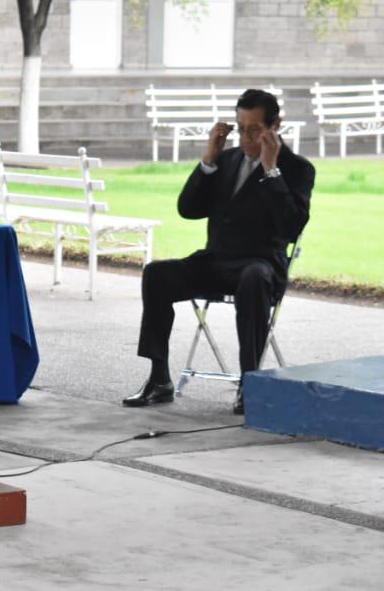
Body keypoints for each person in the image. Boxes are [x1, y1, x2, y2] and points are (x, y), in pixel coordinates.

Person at [123, 88, 314, 415]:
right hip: (217, 261)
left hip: (260, 265)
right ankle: (159, 378)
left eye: (254, 129)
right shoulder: (227, 160)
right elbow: (188, 209)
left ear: (275, 126)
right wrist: (209, 160)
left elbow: (290, 227)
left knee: (254, 278)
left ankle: (249, 382)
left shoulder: (297, 168)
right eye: (241, 128)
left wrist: (271, 170)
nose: (246, 137)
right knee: (156, 274)